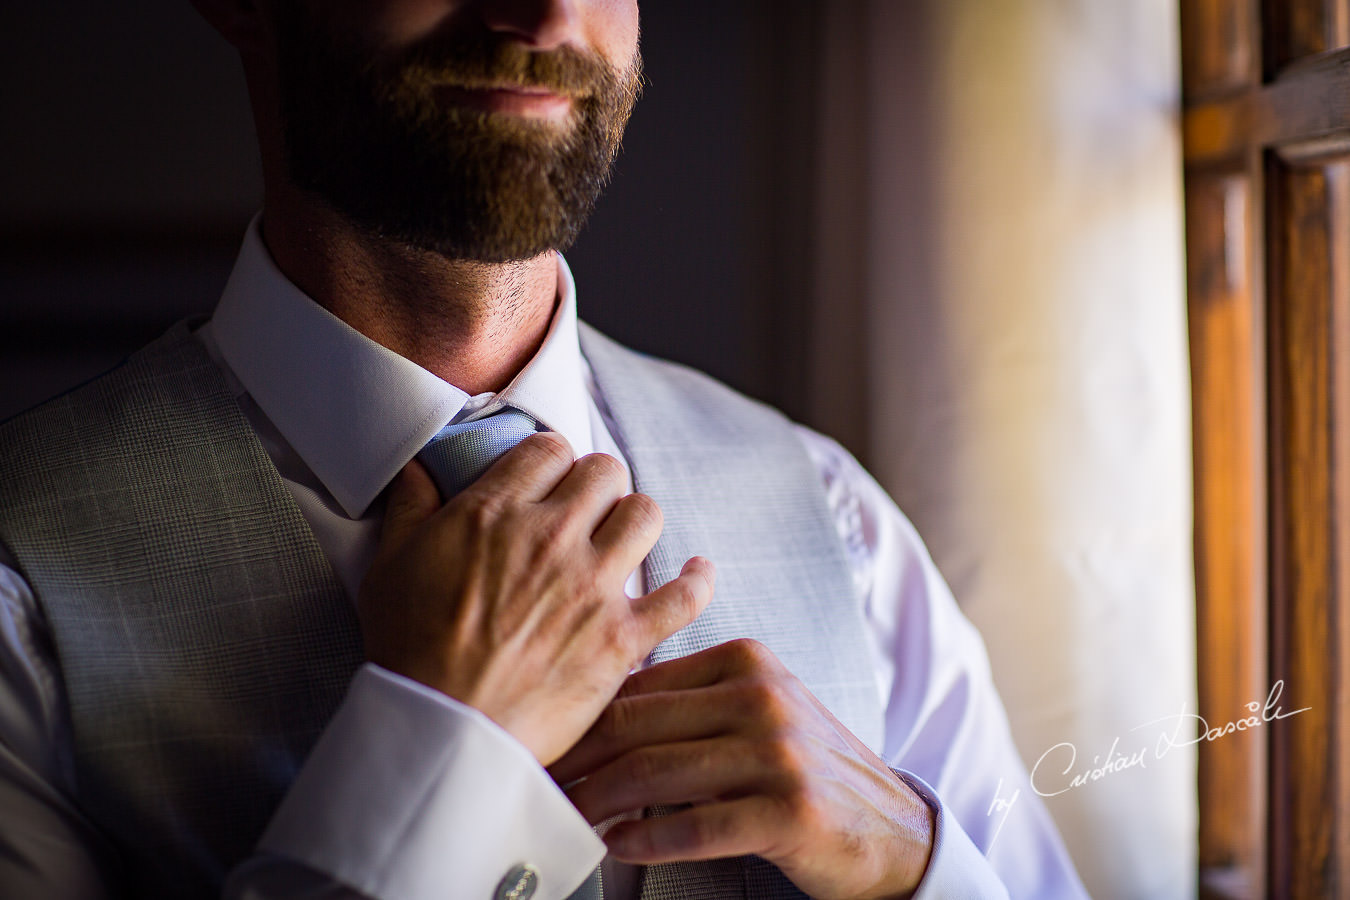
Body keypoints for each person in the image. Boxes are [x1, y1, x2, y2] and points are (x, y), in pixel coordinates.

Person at [0, 1, 1088, 898]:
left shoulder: (837, 519)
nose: (546, 13)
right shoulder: (22, 592)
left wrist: (913, 858)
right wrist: (441, 758)